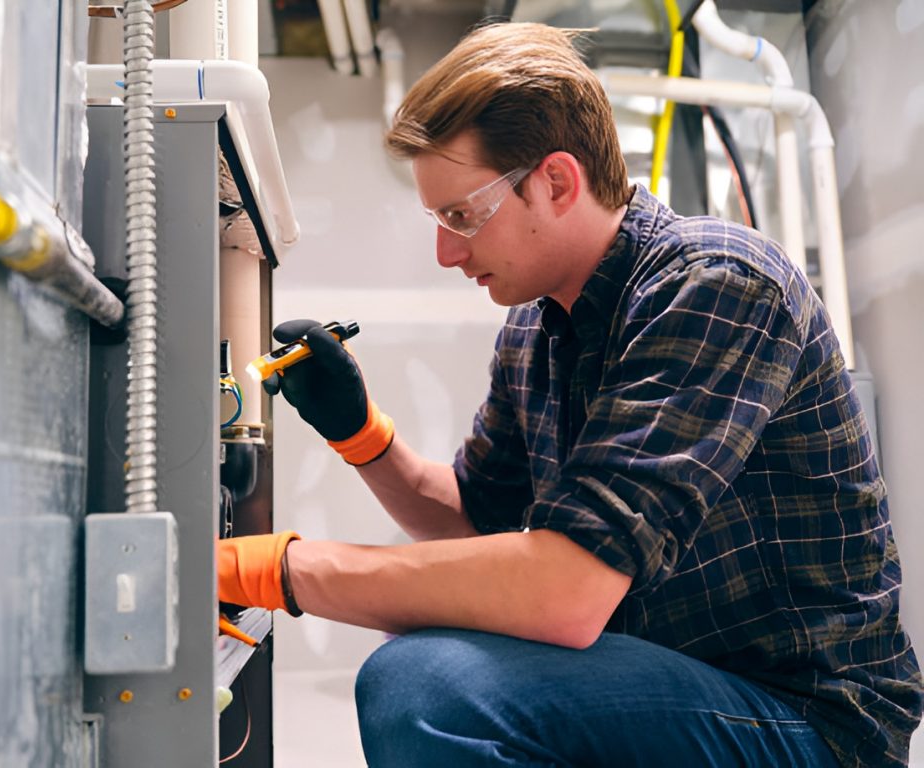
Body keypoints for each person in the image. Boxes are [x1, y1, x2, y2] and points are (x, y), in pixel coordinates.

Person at [217, 21, 923, 767]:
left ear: (555, 181)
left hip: (810, 722)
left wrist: (273, 571)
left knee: (424, 682)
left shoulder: (716, 284)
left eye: (461, 215)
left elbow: (564, 592)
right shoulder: (534, 328)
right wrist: (361, 434)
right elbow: (473, 521)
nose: (446, 252)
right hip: (680, 683)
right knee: (431, 643)